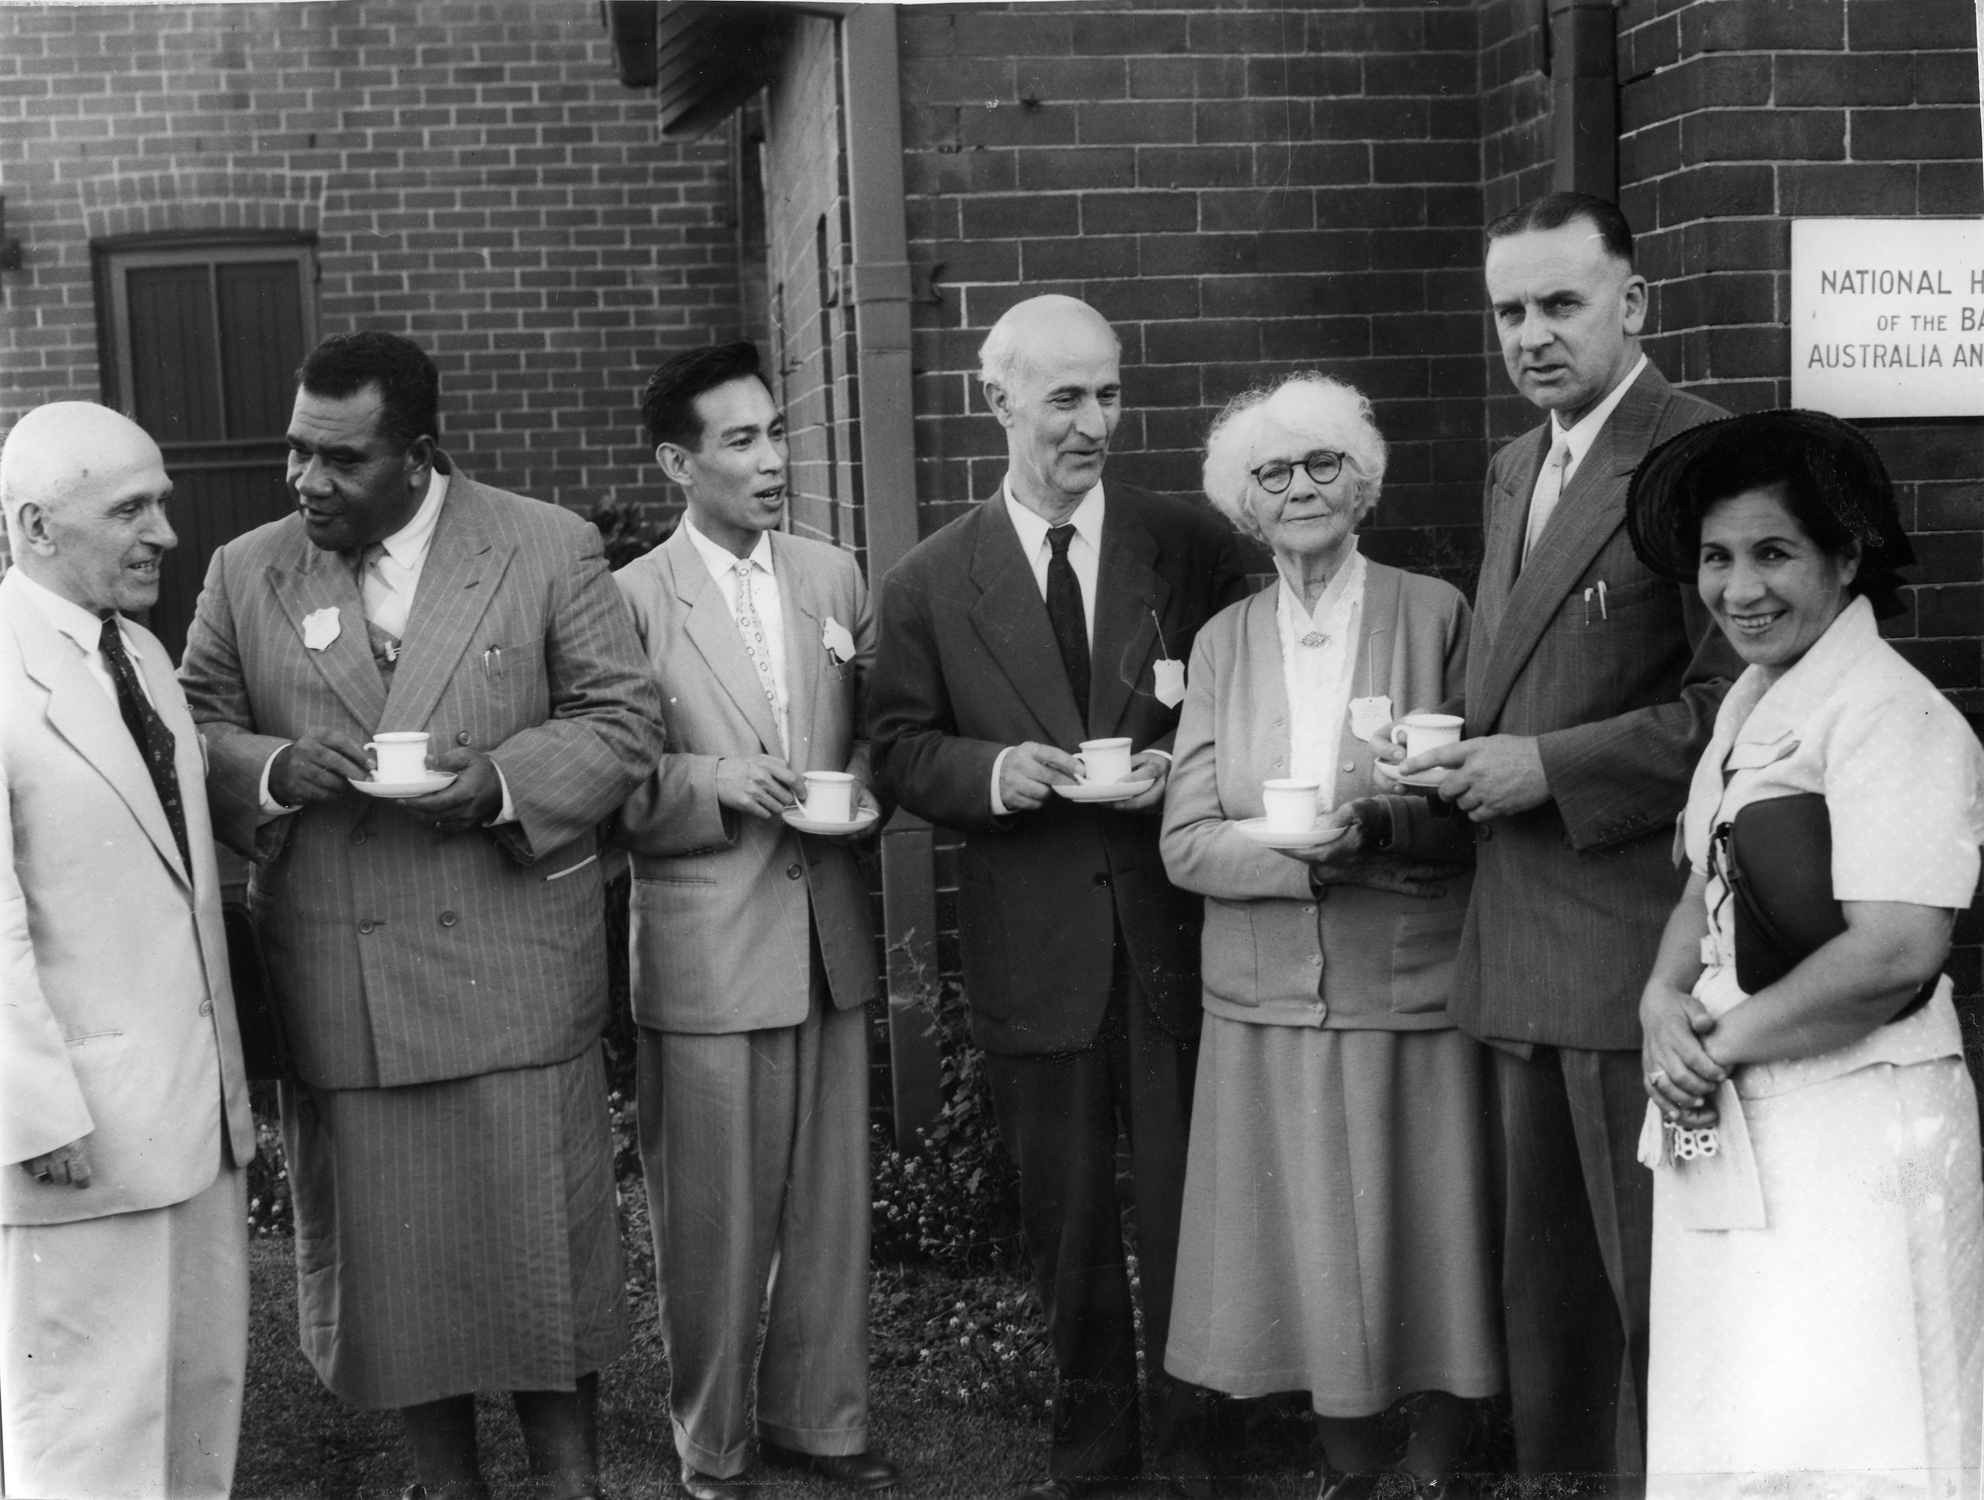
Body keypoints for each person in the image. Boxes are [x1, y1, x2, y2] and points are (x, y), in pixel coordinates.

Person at [178, 331, 663, 1500]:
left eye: (340, 461)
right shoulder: (249, 570)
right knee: (399, 1281)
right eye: (298, 452)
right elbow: (186, 729)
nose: (307, 482)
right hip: (349, 982)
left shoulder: (545, 545)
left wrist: (498, 781)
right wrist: (274, 766)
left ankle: (571, 1482)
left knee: (542, 1259)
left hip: (510, 968)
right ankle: (446, 1485)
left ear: (421, 456)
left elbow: (623, 720)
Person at [869, 294, 1249, 1500]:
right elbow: (892, 748)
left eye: (1111, 393)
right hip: (1035, 942)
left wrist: (1180, 767)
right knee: (1070, 1221)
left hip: (1172, 930)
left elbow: (1245, 697)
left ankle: (1202, 1455)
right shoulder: (932, 580)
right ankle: (1091, 1456)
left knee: (1195, 1207)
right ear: (999, 403)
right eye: (1066, 398)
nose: (1096, 422)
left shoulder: (1186, 544)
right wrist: (993, 771)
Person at [1388, 193, 1740, 1484]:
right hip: (1520, 943)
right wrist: (1445, 754)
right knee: (1549, 1304)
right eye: (1510, 311)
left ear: (1633, 305)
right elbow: (1519, 674)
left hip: (1636, 953)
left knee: (1655, 1289)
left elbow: (1735, 710)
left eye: (1561, 304)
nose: (1531, 334)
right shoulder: (1516, 465)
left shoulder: (1699, 453)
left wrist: (1546, 766)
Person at [1622, 410, 1984, 1497]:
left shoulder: (1891, 716)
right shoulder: (1749, 703)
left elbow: (1893, 952)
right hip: (1722, 1109)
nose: (1739, 590)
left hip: (1854, 1126)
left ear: (1846, 554)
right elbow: (1702, 885)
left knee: (1855, 1430)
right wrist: (1655, 1001)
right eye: (1716, 559)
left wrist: (1711, 1047)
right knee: (1733, 1406)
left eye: (1773, 553)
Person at [1159, 374, 1499, 1500]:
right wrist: (1311, 860)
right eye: (1273, 472)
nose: (1299, 488)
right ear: (1243, 507)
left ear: (1364, 488)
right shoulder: (1221, 641)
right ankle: (1349, 1460)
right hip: (1266, 996)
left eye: (1323, 466)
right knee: (1302, 1243)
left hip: (1407, 981)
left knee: (1429, 1226)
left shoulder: (1437, 612)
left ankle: (1436, 1459)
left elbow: (1479, 809)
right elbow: (1188, 842)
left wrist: (1387, 826)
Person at [609, 342, 899, 1500]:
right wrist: (711, 783)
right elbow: (608, 783)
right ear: (681, 463)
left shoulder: (833, 577)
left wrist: (866, 785)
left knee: (830, 1209)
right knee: (713, 1220)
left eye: (777, 432)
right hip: (705, 948)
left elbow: (877, 722)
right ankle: (713, 1443)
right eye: (742, 440)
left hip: (825, 939)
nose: (774, 459)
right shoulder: (627, 599)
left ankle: (821, 1425)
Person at [0, 403, 255, 1500]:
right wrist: (37, 1111)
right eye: (131, 510)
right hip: (78, 1131)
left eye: (164, 504)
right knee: (87, 1439)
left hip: (189, 1114)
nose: (165, 534)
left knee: (199, 1408)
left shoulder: (142, 651)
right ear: (36, 527)